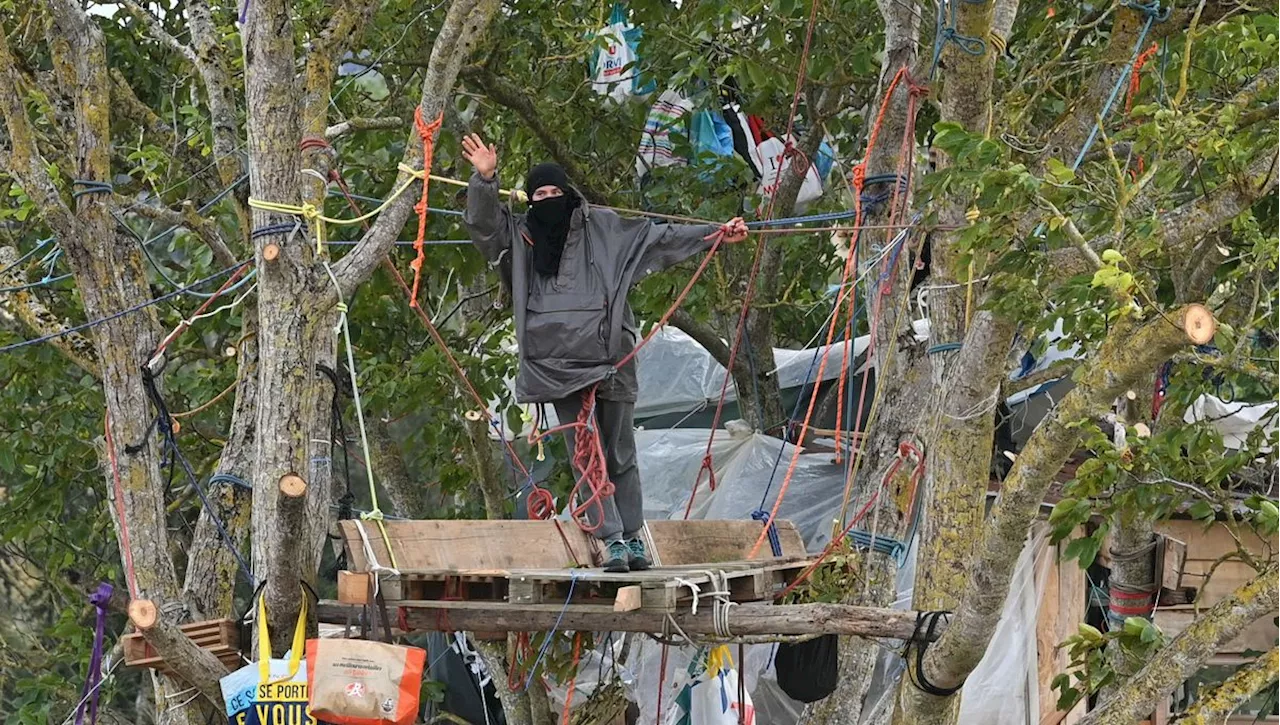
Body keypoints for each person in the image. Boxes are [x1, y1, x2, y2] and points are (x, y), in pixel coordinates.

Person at [460, 133, 749, 572]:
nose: (549, 200)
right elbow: (483, 225)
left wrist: (714, 234)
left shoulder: (605, 228)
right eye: (539, 194)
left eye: (556, 192)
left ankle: (633, 537)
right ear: (529, 201)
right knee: (585, 455)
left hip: (611, 357)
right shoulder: (519, 237)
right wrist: (485, 179)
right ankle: (610, 540)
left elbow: (658, 237)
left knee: (620, 453)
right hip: (553, 363)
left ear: (570, 195)